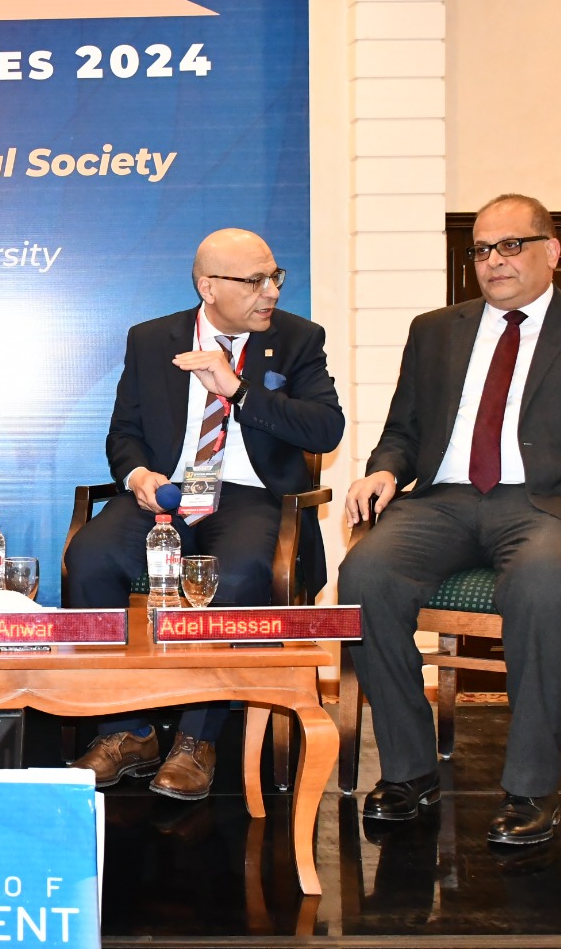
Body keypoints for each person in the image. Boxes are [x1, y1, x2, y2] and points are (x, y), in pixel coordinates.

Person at [341, 193, 561, 846]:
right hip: (443, 502)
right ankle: (409, 772)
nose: (494, 260)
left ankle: (530, 788)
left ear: (552, 251)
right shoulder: (435, 330)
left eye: (510, 245)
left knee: (543, 586)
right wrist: (383, 470)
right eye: (482, 249)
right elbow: (403, 433)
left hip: (545, 506)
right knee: (364, 575)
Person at [63, 227, 344, 800]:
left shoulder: (297, 338)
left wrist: (238, 390)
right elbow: (124, 432)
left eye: (275, 277)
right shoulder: (152, 339)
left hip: (250, 496)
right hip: (168, 493)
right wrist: (137, 475)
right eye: (255, 281)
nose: (271, 292)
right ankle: (127, 730)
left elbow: (325, 428)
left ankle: (198, 739)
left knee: (238, 573)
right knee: (89, 557)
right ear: (208, 287)